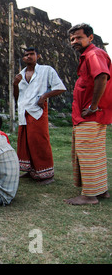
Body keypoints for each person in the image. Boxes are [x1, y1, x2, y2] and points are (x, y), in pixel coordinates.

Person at [64, 23, 112, 205]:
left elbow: (101, 76)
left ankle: (89, 195)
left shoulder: (93, 54)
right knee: (96, 153)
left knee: (87, 153)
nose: (74, 42)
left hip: (91, 115)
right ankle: (101, 190)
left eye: (78, 38)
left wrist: (93, 106)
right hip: (90, 115)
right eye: (72, 39)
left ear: (90, 38)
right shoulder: (88, 55)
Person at [13, 47, 66, 185]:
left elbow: (59, 87)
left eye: (31, 54)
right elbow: (17, 97)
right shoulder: (21, 74)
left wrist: (44, 96)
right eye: (26, 55)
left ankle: (46, 174)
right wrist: (15, 85)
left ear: (38, 56)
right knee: (26, 142)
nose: (28, 57)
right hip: (24, 111)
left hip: (37, 110)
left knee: (40, 141)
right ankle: (31, 171)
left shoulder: (46, 70)